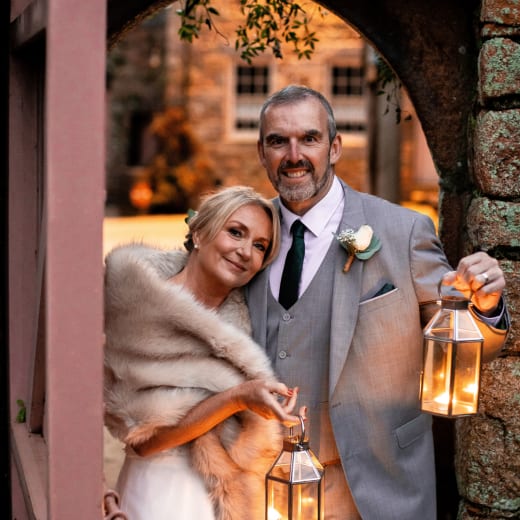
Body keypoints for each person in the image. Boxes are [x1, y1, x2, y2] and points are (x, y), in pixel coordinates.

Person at [246, 85, 510, 519]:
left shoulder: (403, 231)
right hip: (265, 491)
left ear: (334, 148)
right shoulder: (246, 235)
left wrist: (485, 305)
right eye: (278, 141)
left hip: (377, 490)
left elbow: (456, 338)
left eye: (309, 139)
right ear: (262, 152)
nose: (294, 155)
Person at [103, 186, 304, 520]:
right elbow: (144, 439)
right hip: (162, 493)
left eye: (259, 246)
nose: (245, 251)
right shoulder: (137, 304)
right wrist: (237, 398)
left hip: (234, 499)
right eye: (235, 232)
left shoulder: (245, 324)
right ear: (199, 232)